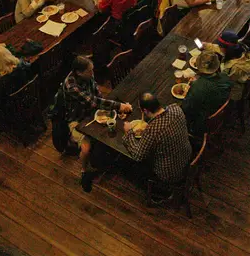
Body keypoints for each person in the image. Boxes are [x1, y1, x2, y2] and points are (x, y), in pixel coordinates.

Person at [61, 55, 132, 192]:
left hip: (91, 112)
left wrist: (113, 108)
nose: (92, 74)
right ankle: (84, 170)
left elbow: (98, 95)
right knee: (86, 147)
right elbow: (93, 102)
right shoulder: (71, 86)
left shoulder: (87, 76)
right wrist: (118, 106)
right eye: (89, 71)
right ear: (79, 72)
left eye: (92, 70)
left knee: (115, 126)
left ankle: (106, 157)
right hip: (77, 119)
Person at [123, 92, 193, 187]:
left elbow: (138, 155)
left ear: (145, 111)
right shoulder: (176, 109)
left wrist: (129, 132)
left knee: (138, 164)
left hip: (170, 173)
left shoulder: (153, 130)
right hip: (187, 157)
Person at [181, 51, 233, 136]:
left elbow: (186, 109)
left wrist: (193, 88)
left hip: (202, 122)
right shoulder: (225, 77)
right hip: (217, 109)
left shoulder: (197, 87)